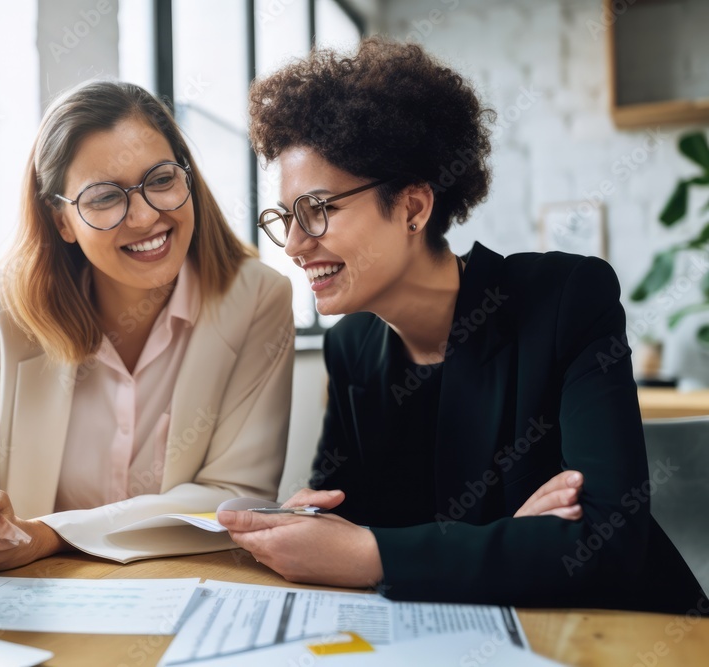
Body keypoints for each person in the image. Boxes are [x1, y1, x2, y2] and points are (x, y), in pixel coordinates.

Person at [218, 37, 706, 614]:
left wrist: (370, 554)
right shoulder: (351, 346)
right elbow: (344, 519)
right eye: (284, 218)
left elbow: (607, 541)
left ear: (413, 208)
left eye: (318, 210)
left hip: (628, 632)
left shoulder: (564, 300)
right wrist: (510, 533)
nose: (295, 245)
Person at [0, 81, 294, 571]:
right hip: (34, 603)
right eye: (104, 197)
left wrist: (52, 535)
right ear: (61, 221)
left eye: (161, 180)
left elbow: (236, 496)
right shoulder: (6, 305)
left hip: (182, 588)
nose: (144, 216)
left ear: (188, 178)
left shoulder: (257, 299)